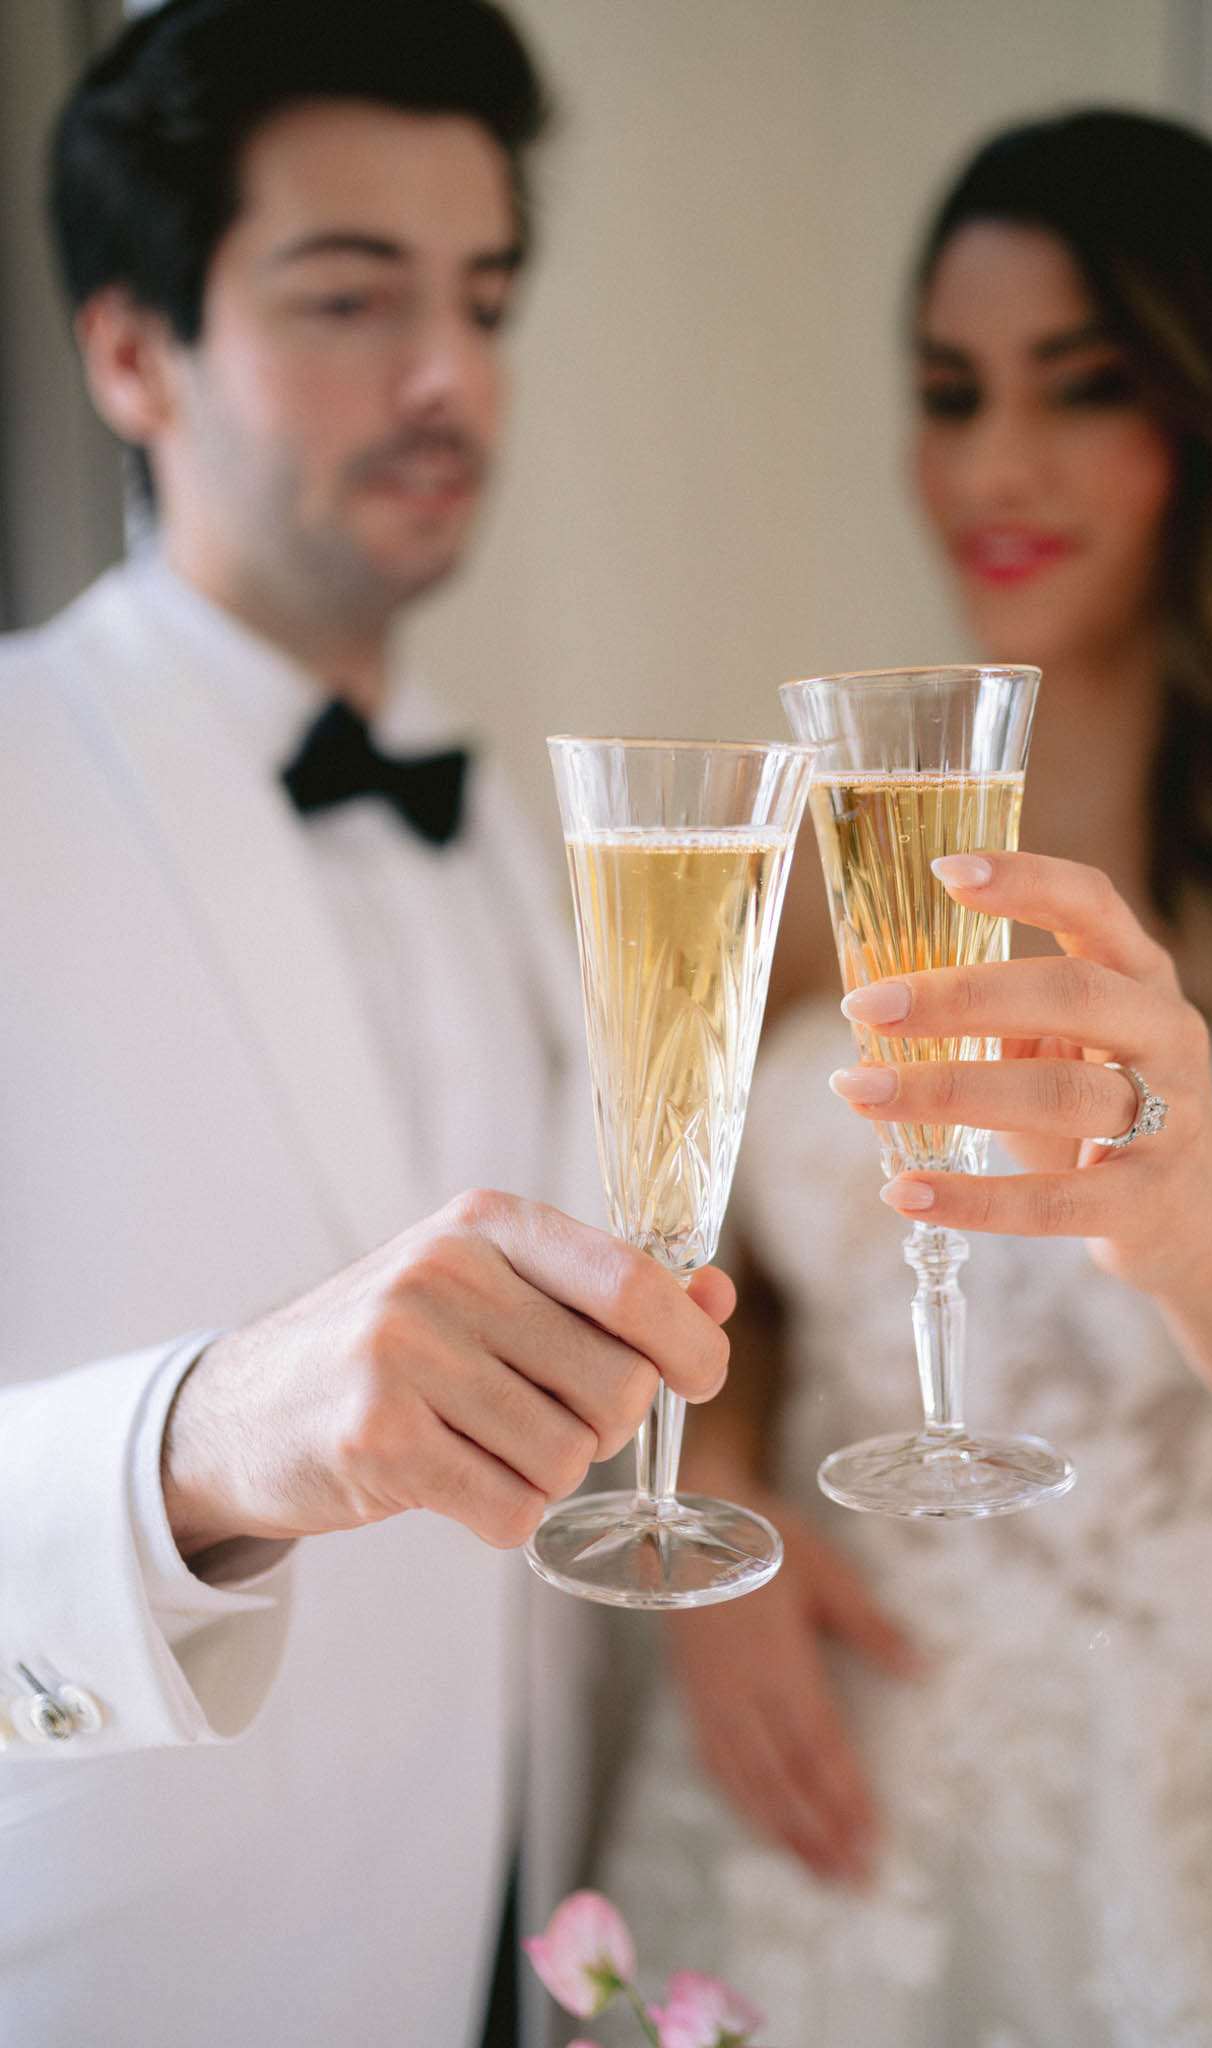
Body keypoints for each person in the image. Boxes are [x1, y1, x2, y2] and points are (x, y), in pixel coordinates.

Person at [0, 5, 736, 2046]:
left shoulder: (518, 840)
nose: (449, 378)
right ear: (130, 345)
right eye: (351, 299)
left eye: (485, 299)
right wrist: (211, 1436)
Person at [598, 108, 1212, 2046]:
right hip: (812, 1788)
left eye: (1081, 389)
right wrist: (734, 1503)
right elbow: (741, 1272)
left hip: (1180, 1807)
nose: (991, 466)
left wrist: (1200, 1222)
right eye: (949, 392)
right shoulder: (816, 855)